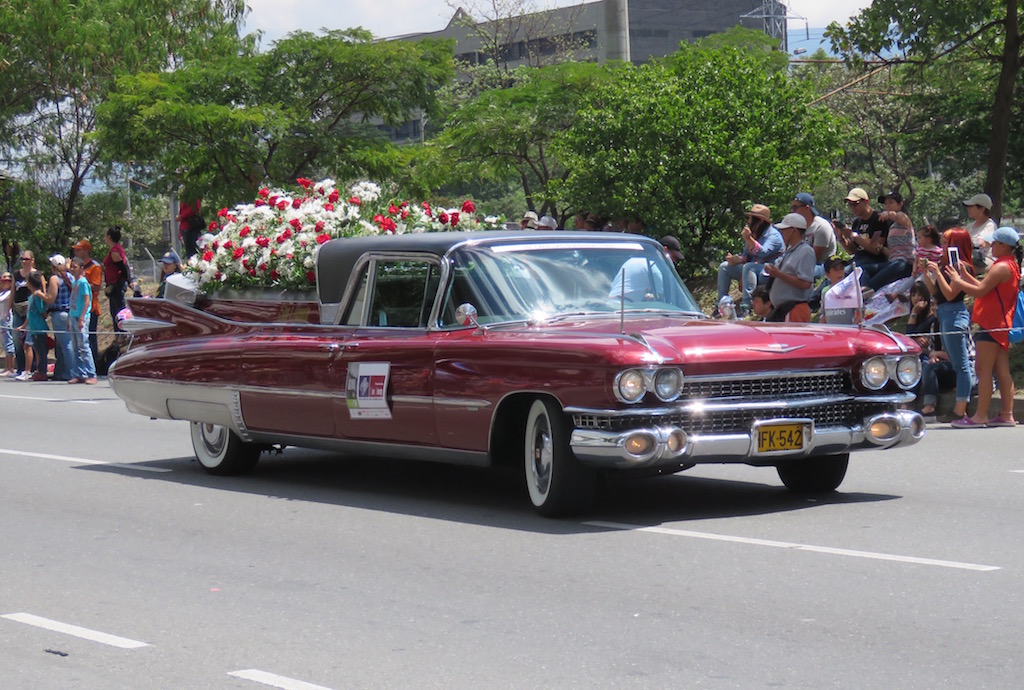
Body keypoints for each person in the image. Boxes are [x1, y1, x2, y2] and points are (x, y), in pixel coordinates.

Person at [946, 226, 1022, 428]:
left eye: (994, 243)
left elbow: (979, 291)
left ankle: (980, 416)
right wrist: (964, 276)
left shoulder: (1000, 267)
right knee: (1002, 370)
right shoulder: (1009, 265)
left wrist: (956, 281)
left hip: (992, 324)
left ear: (1004, 246)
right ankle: (1007, 415)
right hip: (1000, 324)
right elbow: (986, 288)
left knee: (983, 370)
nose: (990, 246)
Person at [923, 227, 977, 423]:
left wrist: (938, 272)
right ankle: (959, 406)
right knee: (955, 363)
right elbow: (936, 292)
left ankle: (960, 408)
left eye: (946, 242)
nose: (942, 246)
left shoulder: (962, 267)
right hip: (945, 315)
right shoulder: (945, 265)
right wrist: (925, 273)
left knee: (961, 365)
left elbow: (950, 295)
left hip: (955, 314)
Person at [716, 204, 783, 317]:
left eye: (751, 218)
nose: (749, 221)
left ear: (760, 221)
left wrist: (749, 239)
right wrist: (737, 260)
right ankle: (721, 305)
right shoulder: (754, 234)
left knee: (749, 267)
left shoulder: (774, 235)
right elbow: (746, 256)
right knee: (724, 267)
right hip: (751, 269)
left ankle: (746, 307)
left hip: (767, 272)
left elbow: (763, 252)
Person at [764, 213, 816, 322]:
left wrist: (778, 274)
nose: (781, 232)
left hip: (794, 309)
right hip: (784, 309)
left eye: (785, 229)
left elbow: (806, 283)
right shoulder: (791, 250)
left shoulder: (806, 251)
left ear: (794, 230)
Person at [863, 191, 916, 291]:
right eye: (886, 204)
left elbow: (898, 216)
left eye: (891, 202)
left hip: (906, 263)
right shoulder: (892, 227)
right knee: (863, 269)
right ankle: (864, 288)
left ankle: (868, 289)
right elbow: (893, 253)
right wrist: (880, 247)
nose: (887, 206)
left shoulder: (904, 219)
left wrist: (887, 214)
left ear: (900, 204)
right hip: (893, 262)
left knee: (875, 281)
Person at [835, 187, 891, 277]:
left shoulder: (878, 219)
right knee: (834, 271)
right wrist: (842, 237)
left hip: (873, 261)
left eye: (855, 204)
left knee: (844, 273)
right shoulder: (857, 222)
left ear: (865, 202)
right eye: (850, 205)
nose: (852, 208)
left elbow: (876, 250)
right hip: (858, 258)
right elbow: (852, 251)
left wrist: (855, 237)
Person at [41, 254, 74, 381]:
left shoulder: (54, 279)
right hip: (69, 312)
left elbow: (51, 298)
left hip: (59, 313)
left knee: (65, 344)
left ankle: (71, 372)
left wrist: (39, 294)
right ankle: (60, 372)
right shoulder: (70, 276)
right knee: (61, 345)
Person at [791, 192, 836, 278]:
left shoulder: (821, 226)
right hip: (802, 261)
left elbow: (814, 257)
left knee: (795, 273)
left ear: (806, 208)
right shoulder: (798, 226)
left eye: (795, 208)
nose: (792, 211)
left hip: (822, 265)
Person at [68, 256, 97, 384]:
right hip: (73, 316)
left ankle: (91, 373)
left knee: (84, 346)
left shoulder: (83, 282)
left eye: (74, 267)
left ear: (81, 268)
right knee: (75, 347)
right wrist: (69, 319)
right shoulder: (75, 282)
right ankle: (79, 373)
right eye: (71, 267)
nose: (72, 269)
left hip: (81, 317)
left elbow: (87, 301)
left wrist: (81, 318)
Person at [72, 238, 102, 358]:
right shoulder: (76, 267)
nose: (76, 253)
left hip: (90, 308)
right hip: (76, 308)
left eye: (79, 250)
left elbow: (96, 286)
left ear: (86, 251)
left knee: (89, 338)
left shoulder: (94, 266)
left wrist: (82, 283)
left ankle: (94, 366)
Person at [20, 270, 48, 381]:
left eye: (27, 281)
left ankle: (43, 372)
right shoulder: (31, 297)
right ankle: (39, 370)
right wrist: (24, 325)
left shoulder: (38, 296)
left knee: (41, 351)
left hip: (39, 327)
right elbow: (29, 315)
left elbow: (43, 311)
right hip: (33, 328)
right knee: (36, 349)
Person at [103, 226, 131, 332]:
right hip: (113, 283)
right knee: (114, 310)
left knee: (119, 311)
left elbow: (123, 268)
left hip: (117, 284)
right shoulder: (116, 249)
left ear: (109, 237)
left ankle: (123, 334)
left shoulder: (115, 251)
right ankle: (118, 335)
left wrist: (129, 281)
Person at [962, 193, 997, 270]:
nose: (968, 209)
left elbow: (982, 243)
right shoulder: (969, 226)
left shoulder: (990, 225)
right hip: (969, 259)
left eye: (971, 206)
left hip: (985, 260)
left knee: (961, 268)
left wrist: (965, 243)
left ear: (982, 209)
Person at [0, 271, 14, 375]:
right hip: (1, 319)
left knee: (9, 342)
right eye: (3, 280)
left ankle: (11, 368)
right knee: (4, 343)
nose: (5, 282)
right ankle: (6, 367)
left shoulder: (9, 293)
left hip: (7, 319)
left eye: (8, 280)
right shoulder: (2, 292)